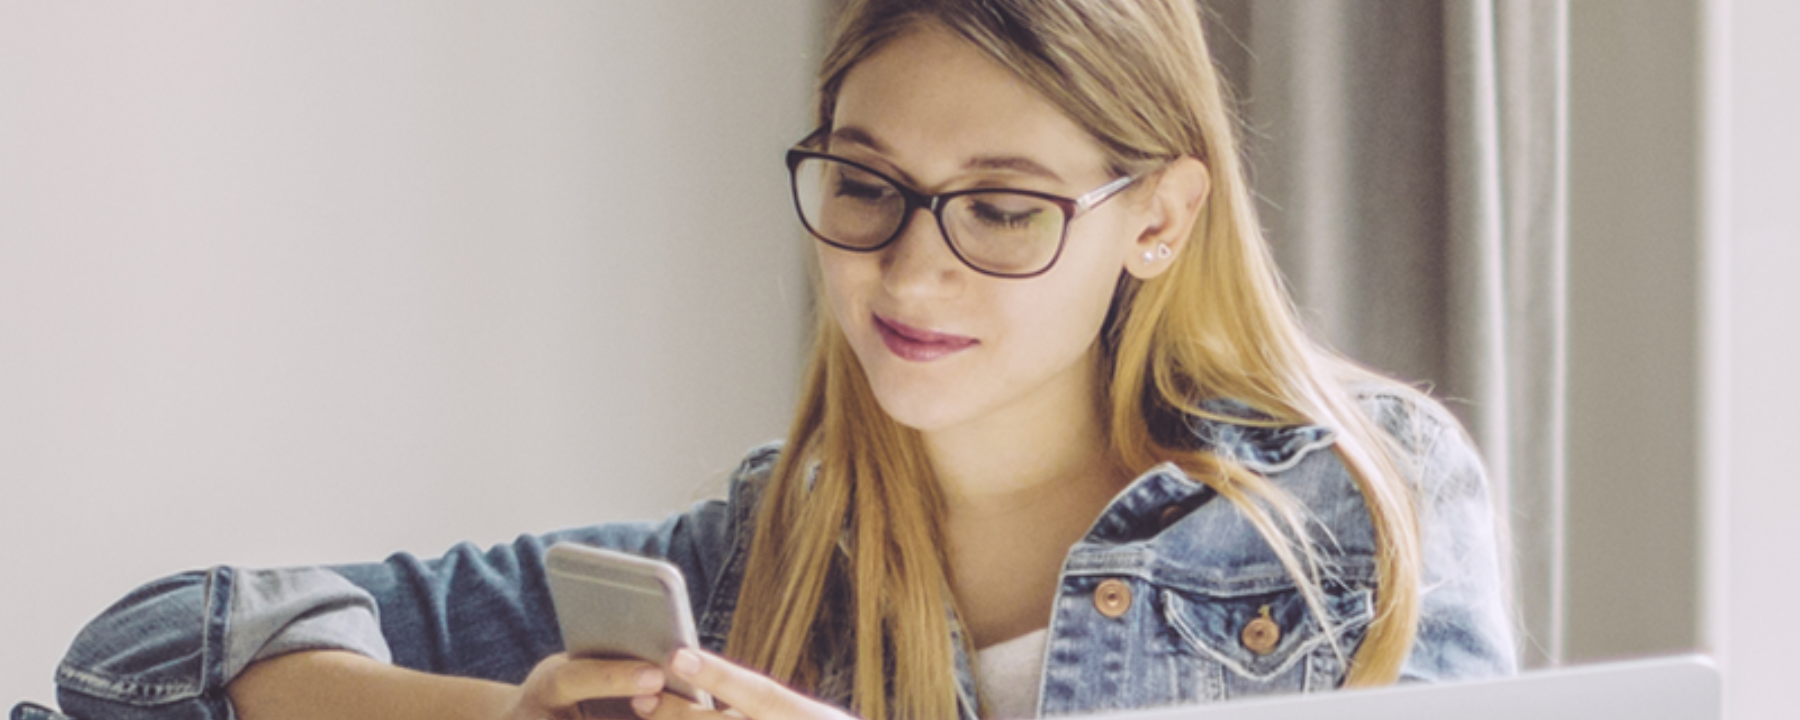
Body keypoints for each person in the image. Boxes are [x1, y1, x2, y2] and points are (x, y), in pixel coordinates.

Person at [23, 2, 1515, 720]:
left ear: (1159, 220)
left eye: (1000, 209)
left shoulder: (1348, 508)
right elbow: (140, 662)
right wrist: (514, 716)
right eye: (864, 186)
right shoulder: (756, 562)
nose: (909, 268)